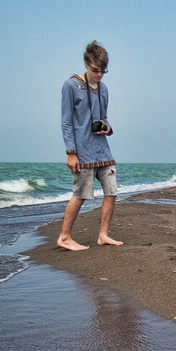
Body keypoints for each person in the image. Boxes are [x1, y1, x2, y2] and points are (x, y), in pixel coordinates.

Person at [58, 40, 123, 250]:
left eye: (104, 71)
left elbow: (104, 118)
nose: (100, 75)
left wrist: (108, 128)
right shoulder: (71, 86)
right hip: (82, 152)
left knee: (111, 192)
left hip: (103, 149)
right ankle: (64, 237)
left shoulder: (104, 89)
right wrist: (71, 153)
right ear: (86, 63)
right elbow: (66, 121)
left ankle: (103, 235)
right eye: (96, 70)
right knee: (81, 195)